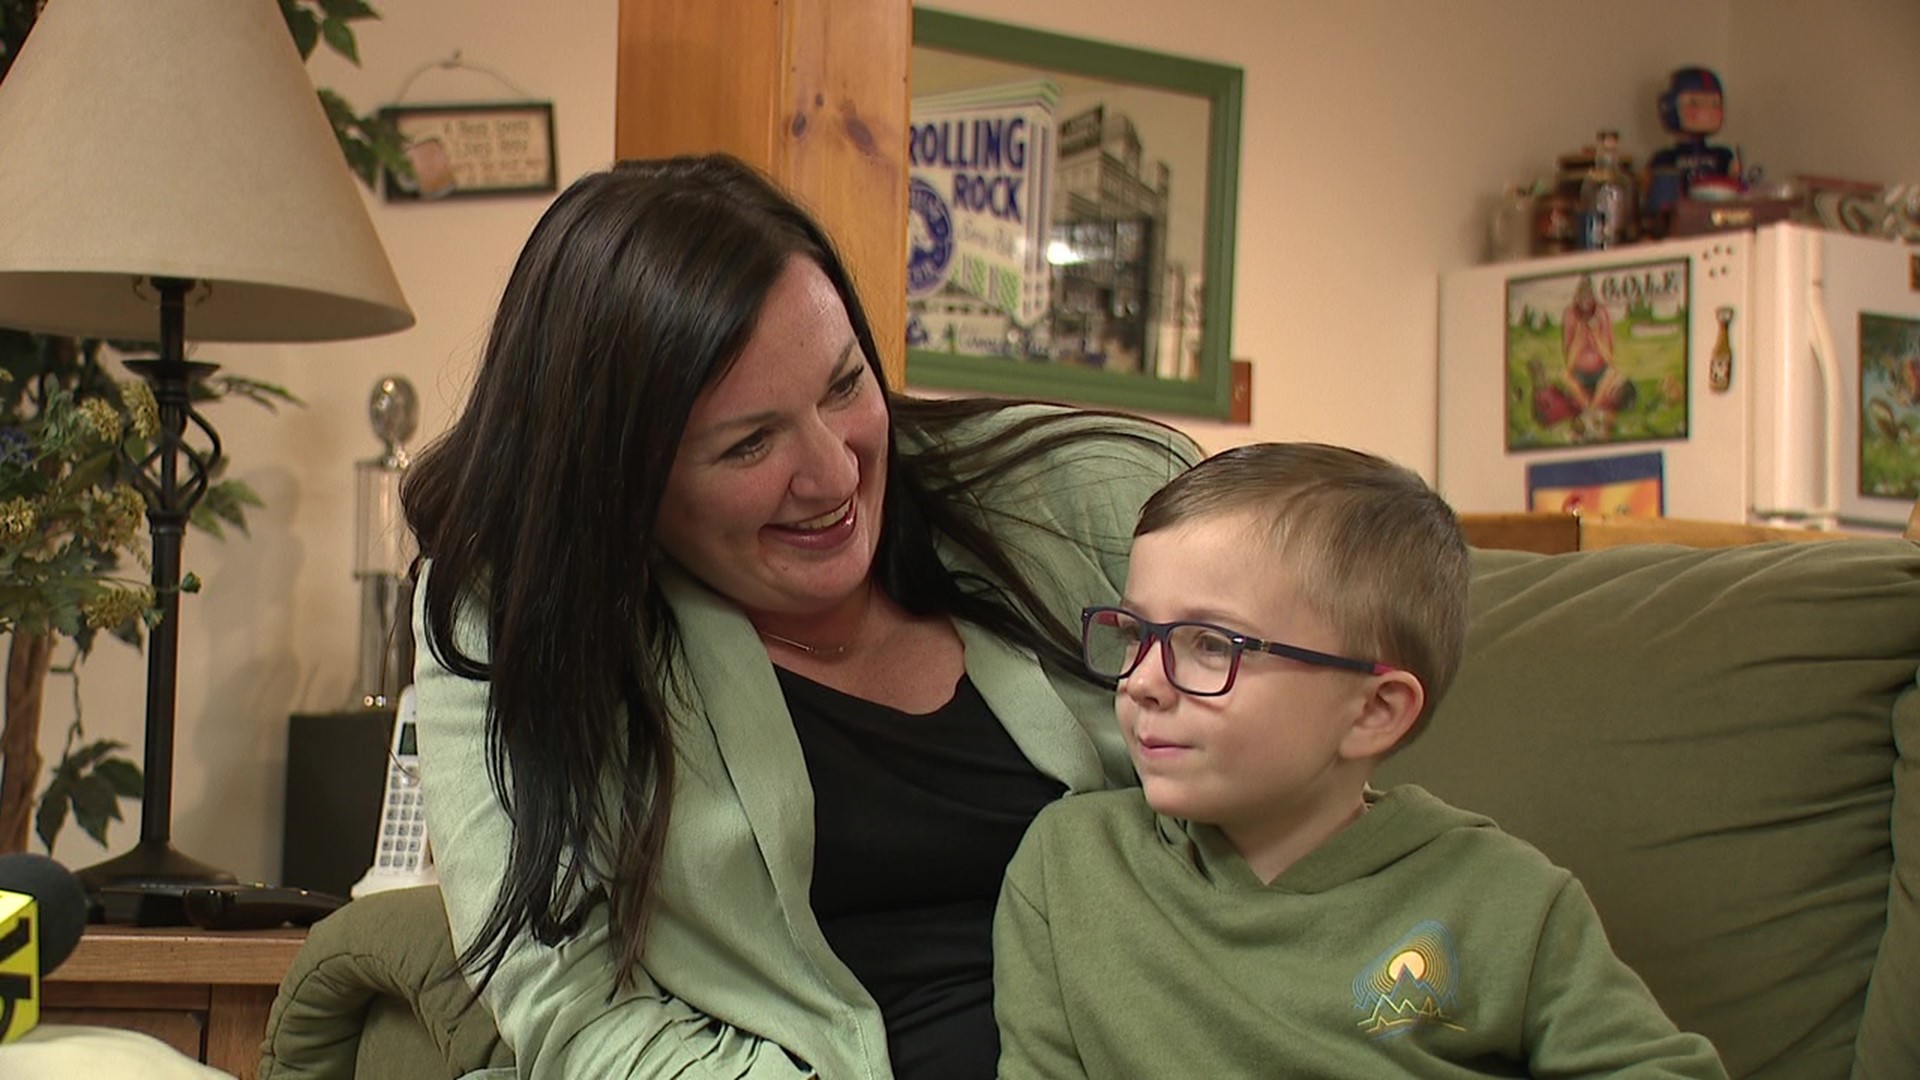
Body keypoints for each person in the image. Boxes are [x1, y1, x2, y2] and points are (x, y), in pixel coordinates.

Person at [399, 153, 1200, 1080]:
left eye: (844, 384)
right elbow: (575, 1017)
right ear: (620, 480)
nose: (835, 473)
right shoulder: (514, 612)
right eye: (749, 443)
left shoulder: (1090, 500)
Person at [992, 443, 1728, 1079]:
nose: (1142, 682)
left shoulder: (1509, 903)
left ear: (1374, 712)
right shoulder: (1068, 868)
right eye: (1135, 632)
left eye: (1212, 645)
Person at [1559, 272, 1635, 431]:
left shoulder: (1602, 313)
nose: (1585, 307)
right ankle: (1592, 406)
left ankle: (1591, 408)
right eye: (1581, 302)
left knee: (1613, 373)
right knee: (1564, 376)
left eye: (1589, 302)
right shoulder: (1569, 315)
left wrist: (1596, 336)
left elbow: (1609, 358)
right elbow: (1569, 363)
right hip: (1580, 373)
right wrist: (1578, 339)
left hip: (1601, 371)